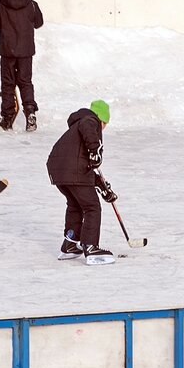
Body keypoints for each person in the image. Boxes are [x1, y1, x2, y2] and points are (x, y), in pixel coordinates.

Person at [46, 99, 117, 266]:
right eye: (105, 123)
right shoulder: (89, 121)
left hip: (58, 170)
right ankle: (91, 247)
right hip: (72, 170)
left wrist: (102, 187)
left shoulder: (75, 129)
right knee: (92, 207)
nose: (104, 127)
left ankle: (70, 243)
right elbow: (85, 159)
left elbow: (86, 167)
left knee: (75, 205)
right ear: (101, 118)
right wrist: (95, 150)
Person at [0, 0, 45, 132]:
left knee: (8, 84)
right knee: (25, 82)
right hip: (26, 51)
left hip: (7, 50)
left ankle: (7, 118)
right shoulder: (31, 4)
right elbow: (38, 23)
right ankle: (30, 112)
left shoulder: (1, 5)